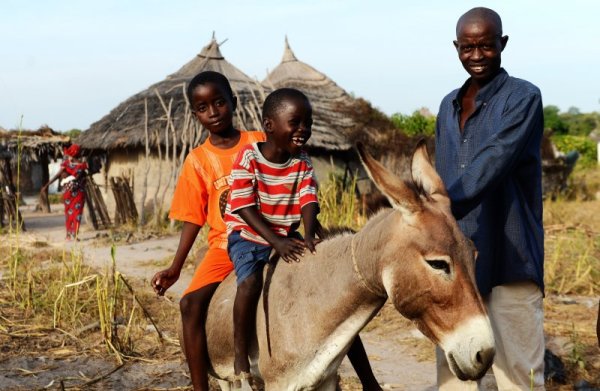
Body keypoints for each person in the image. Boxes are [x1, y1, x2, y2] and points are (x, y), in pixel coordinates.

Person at [225, 88, 381, 390]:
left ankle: (368, 380)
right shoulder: (249, 157)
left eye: (307, 123)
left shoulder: (302, 160)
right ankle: (240, 356)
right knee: (250, 283)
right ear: (269, 125)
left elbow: (308, 197)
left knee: (333, 296)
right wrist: (276, 242)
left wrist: (309, 235)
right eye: (295, 123)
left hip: (287, 234)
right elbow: (243, 205)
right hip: (249, 236)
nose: (303, 130)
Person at [434, 7, 545, 391]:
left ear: (503, 44)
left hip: (512, 257)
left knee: (520, 376)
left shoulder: (524, 98)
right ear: (456, 47)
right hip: (461, 264)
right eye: (468, 47)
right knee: (455, 376)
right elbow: (442, 173)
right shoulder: (447, 105)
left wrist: (437, 207)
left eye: (486, 46)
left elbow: (494, 159)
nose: (477, 56)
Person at [151, 71, 266, 391]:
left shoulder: (258, 142)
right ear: (194, 113)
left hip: (270, 235)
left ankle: (364, 378)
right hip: (224, 246)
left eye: (219, 103)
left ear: (234, 102)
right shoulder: (198, 161)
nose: (213, 112)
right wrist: (175, 268)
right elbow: (193, 217)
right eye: (203, 108)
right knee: (189, 305)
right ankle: (200, 386)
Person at [41, 144, 88, 240]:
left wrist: (47, 185)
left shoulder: (66, 164)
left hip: (68, 192)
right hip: (78, 192)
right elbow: (81, 179)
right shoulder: (82, 166)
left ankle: (68, 234)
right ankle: (74, 233)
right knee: (77, 213)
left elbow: (57, 175)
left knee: (68, 213)